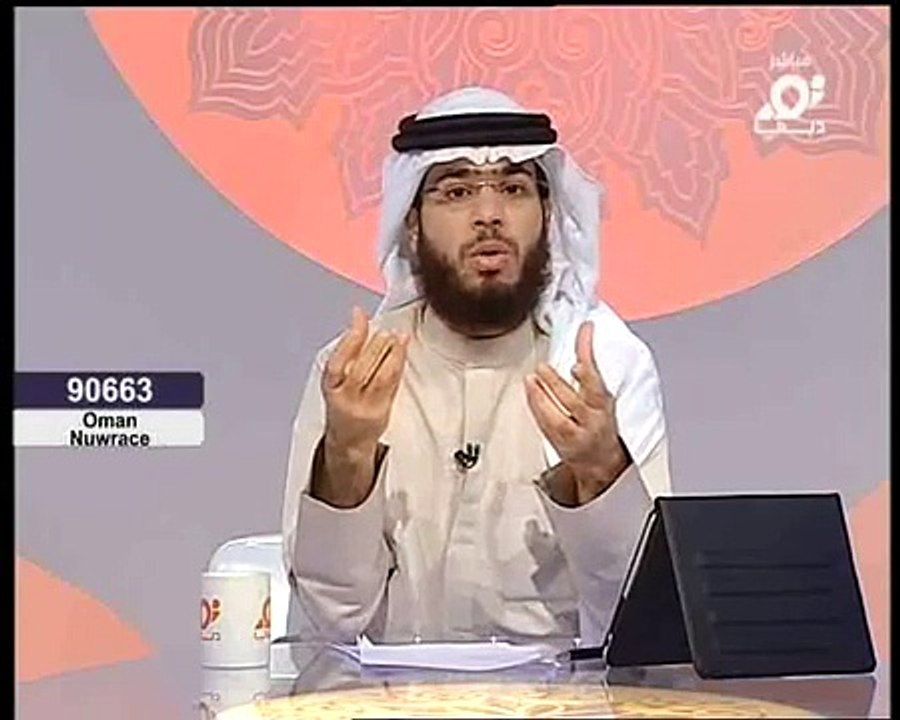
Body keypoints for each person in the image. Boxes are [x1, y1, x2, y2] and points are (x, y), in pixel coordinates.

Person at [281, 86, 672, 645]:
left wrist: (602, 468)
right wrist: (347, 454)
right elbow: (334, 618)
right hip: (397, 692)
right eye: (457, 191)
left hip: (560, 692)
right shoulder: (356, 374)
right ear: (412, 223)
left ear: (547, 213)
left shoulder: (602, 367)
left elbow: (642, 616)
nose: (489, 215)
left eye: (513, 188)